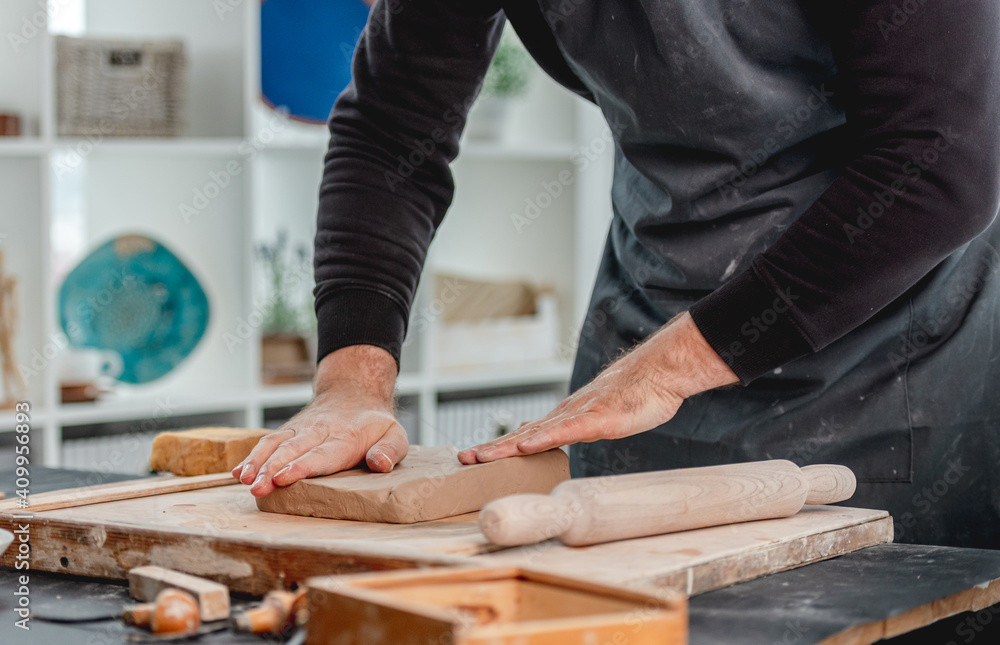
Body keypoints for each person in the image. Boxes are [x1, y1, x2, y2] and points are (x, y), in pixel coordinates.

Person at [234, 0, 1000, 549]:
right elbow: (390, 130)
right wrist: (351, 382)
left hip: (885, 349)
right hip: (646, 323)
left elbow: (939, 167)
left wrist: (668, 371)